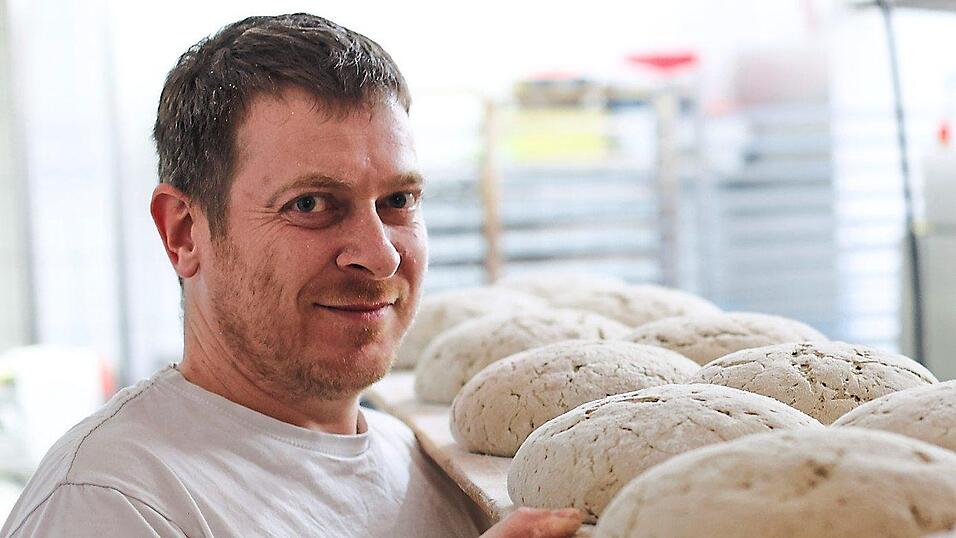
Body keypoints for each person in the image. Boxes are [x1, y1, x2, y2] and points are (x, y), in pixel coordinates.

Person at [1, 13, 584, 538]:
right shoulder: (114, 504)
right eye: (310, 204)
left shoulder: (423, 461)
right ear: (184, 233)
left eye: (399, 200)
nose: (379, 256)